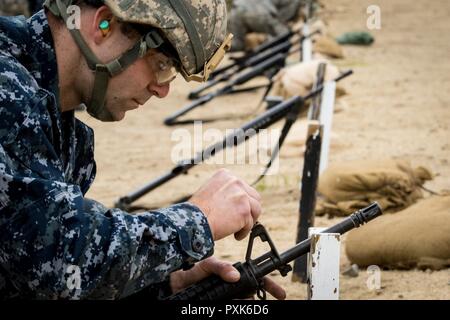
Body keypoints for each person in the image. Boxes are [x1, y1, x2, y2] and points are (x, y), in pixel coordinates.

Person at [0, 0, 286, 300]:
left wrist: (163, 285)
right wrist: (197, 221)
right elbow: (60, 260)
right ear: (104, 24)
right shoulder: (8, 88)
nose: (162, 90)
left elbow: (29, 275)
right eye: (162, 64)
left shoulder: (57, 119)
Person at [227, 0, 304, 52]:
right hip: (257, 12)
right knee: (286, 37)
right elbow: (280, 19)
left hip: (237, 8)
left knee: (235, 44)